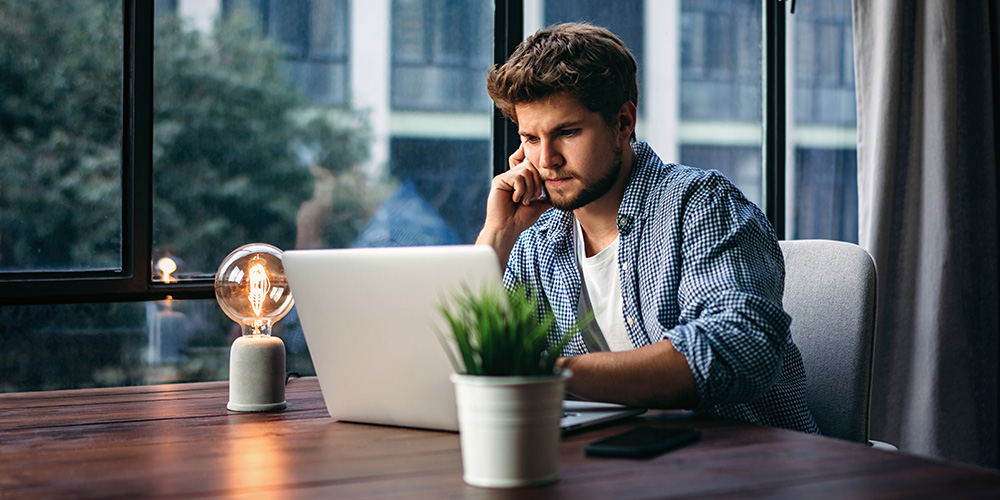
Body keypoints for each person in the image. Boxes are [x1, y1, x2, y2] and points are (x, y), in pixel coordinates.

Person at [476, 22, 818, 434]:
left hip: (743, 466)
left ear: (622, 122)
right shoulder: (536, 242)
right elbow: (479, 360)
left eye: (566, 132)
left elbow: (733, 349)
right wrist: (499, 235)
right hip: (612, 463)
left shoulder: (701, 205)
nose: (546, 160)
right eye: (530, 138)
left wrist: (552, 373)